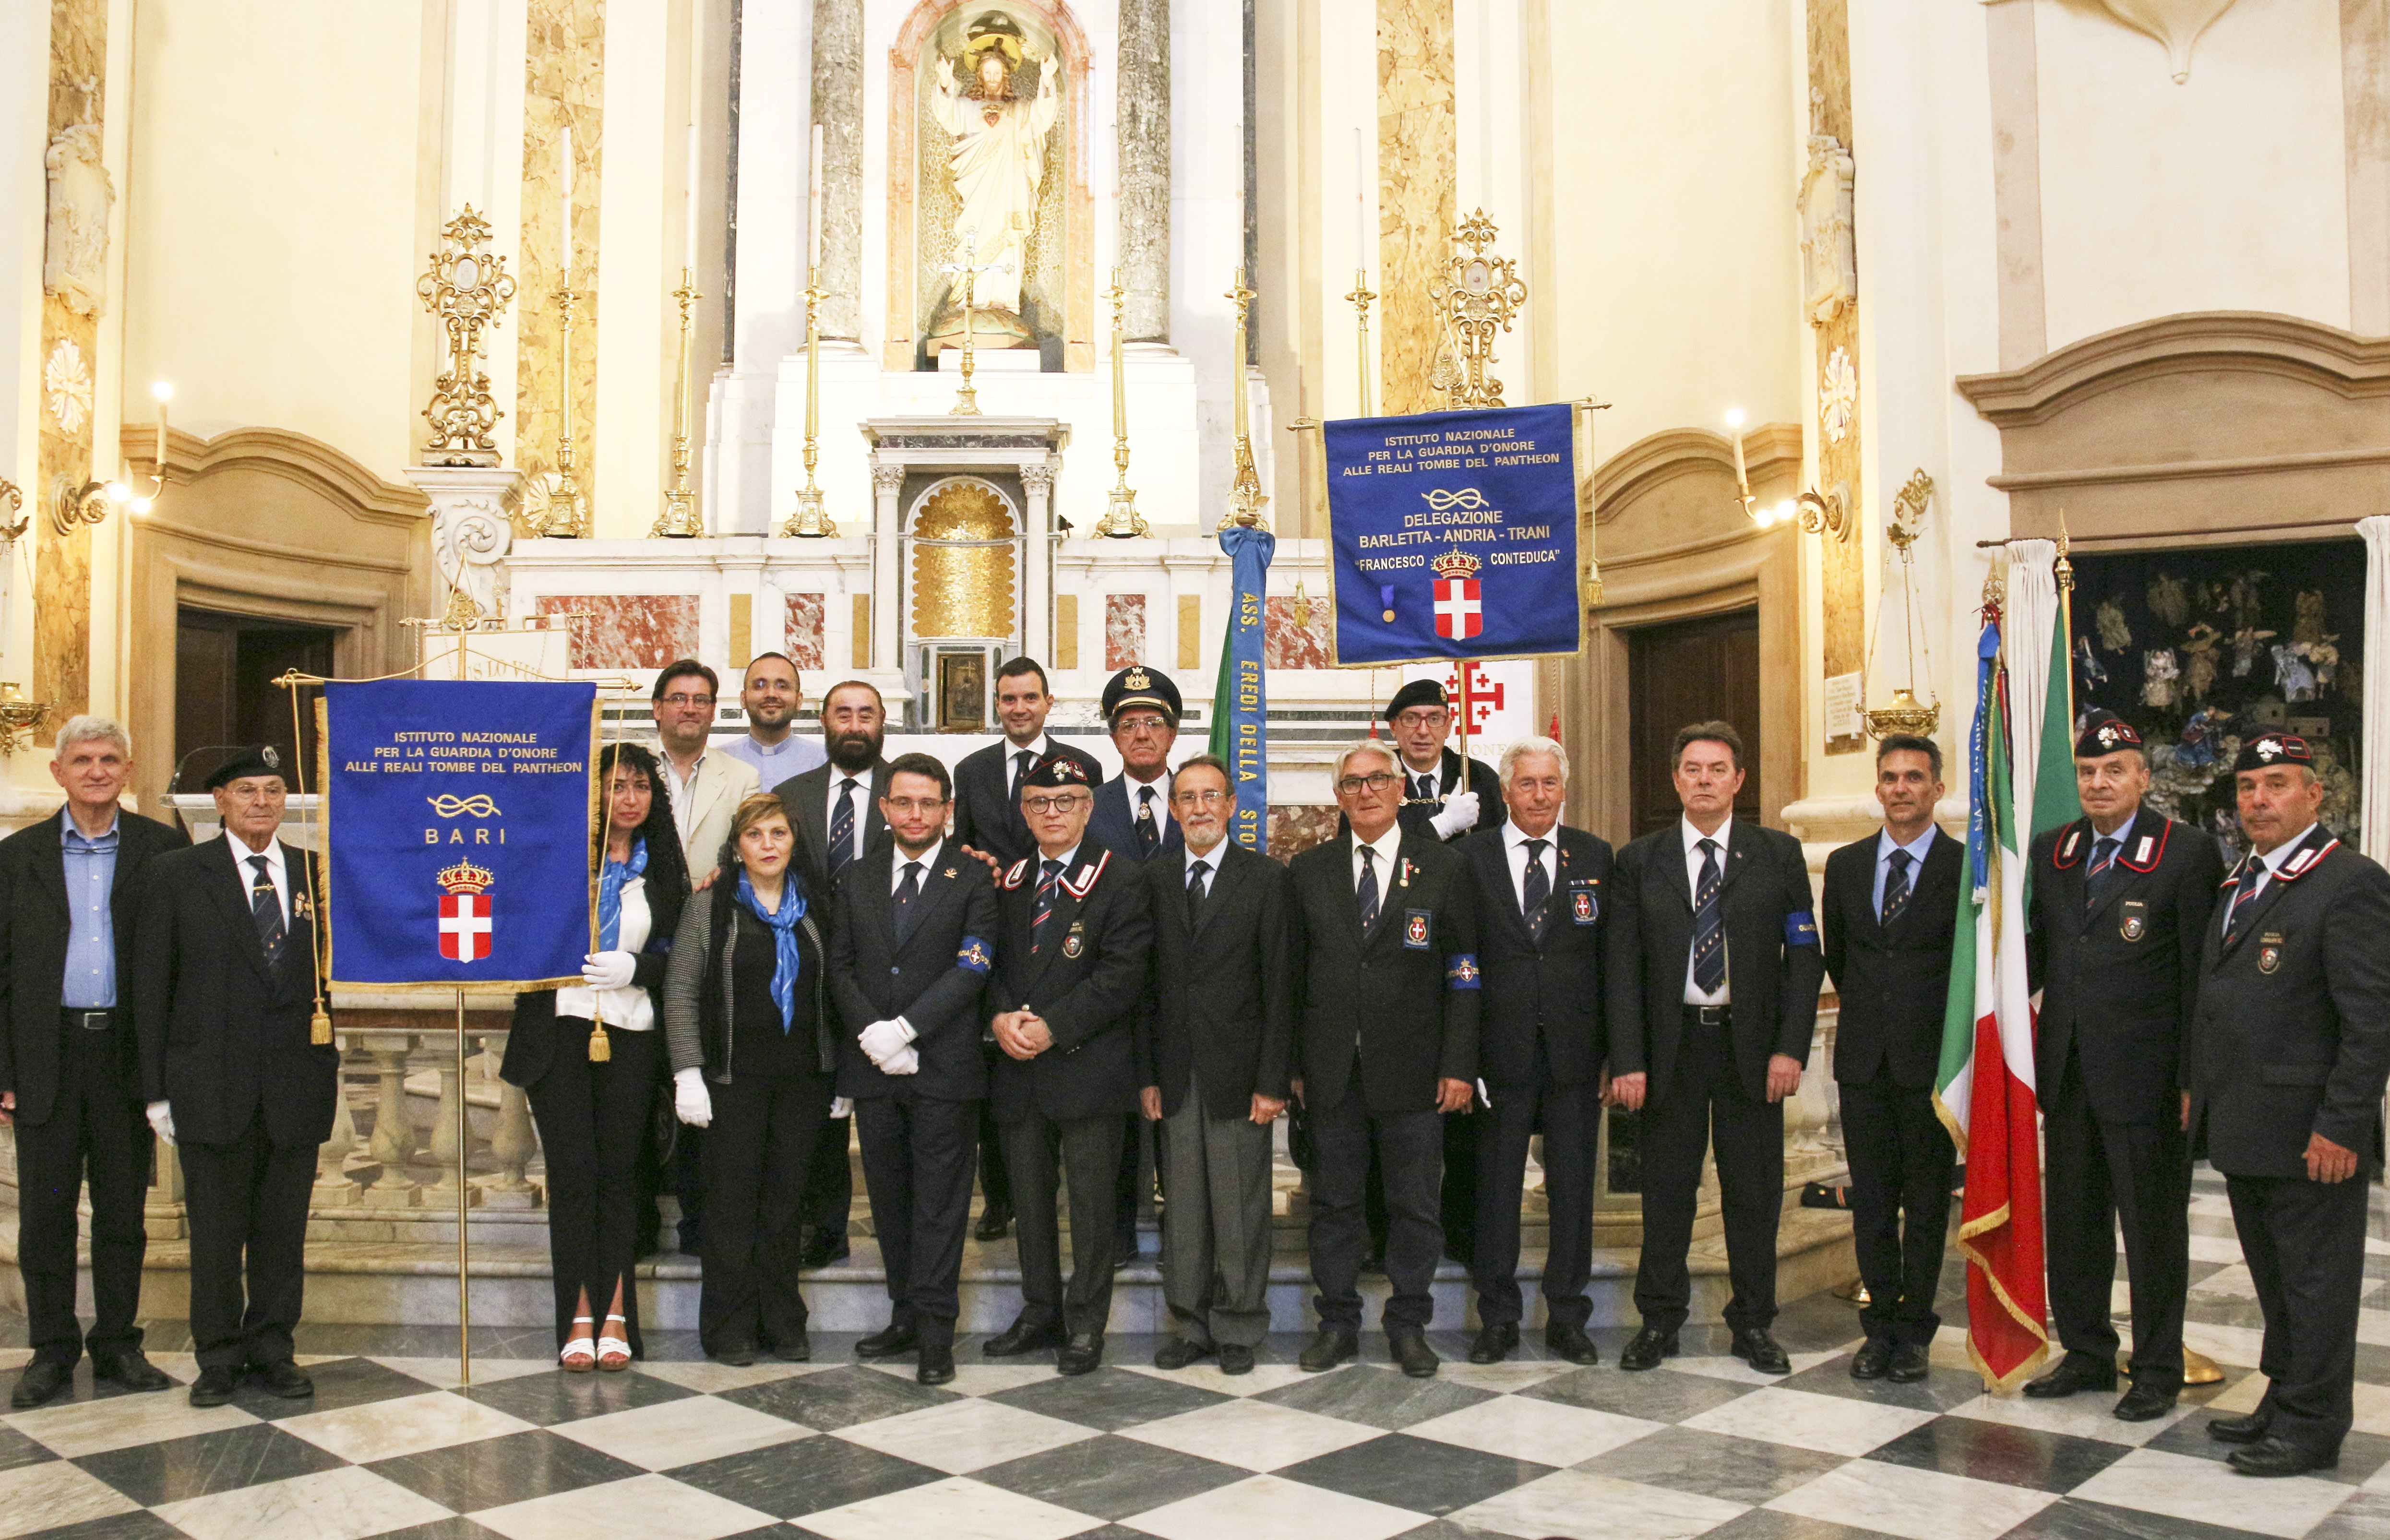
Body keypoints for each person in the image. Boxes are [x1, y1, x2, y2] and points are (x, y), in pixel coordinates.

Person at [2187, 733, 2390, 1476]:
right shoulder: (2243, 879)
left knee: (2318, 1284)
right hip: (2248, 1124)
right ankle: (2283, 1396)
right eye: (2247, 787)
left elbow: (2371, 1021)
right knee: (2276, 1281)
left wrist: (2342, 1125)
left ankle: (2314, 1424)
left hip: (2311, 1134)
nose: (2259, 800)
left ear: (2315, 794)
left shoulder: (2349, 882)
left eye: (2277, 784)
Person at [1606, 721, 1822, 1377]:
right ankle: (1660, 1321)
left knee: (1753, 1193)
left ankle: (1754, 1323)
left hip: (1751, 1053)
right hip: (1671, 1050)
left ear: (1740, 780)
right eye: (1693, 769)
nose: (1705, 780)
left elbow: (1805, 958)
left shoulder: (1778, 855)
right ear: (1676, 779)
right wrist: (1629, 1059)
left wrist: (1790, 1049)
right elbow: (1621, 967)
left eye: (1718, 768)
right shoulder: (1640, 861)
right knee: (1666, 1192)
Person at [2023, 712, 2222, 1420]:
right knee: (2074, 1221)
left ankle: (2159, 1366)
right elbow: (2039, 955)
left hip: (2148, 1079)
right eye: (2087, 772)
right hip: (2070, 1071)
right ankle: (2085, 1350)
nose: (2099, 783)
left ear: (2143, 776)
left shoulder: (2186, 852)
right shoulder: (2054, 850)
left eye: (2115, 770)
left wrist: (2194, 1079)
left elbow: (2204, 977)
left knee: (2152, 1227)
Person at [134, 747, 334, 1407]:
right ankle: (217, 1356)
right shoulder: (178, 874)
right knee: (217, 1234)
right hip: (209, 1085)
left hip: (293, 1085)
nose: (261, 802)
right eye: (246, 790)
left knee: (282, 1234)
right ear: (220, 801)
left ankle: (274, 1347)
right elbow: (151, 986)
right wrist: (156, 1089)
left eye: (273, 790)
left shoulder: (312, 874)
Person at [0, 716, 185, 1409]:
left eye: (110, 758)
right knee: (46, 1217)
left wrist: (169, 1073)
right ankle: (51, 1349)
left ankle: (117, 1344)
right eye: (82, 759)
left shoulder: (163, 850)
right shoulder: (16, 857)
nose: (97, 770)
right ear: (59, 773)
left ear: (128, 770)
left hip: (125, 1059)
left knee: (121, 1215)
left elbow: (181, 969)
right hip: (46, 1056)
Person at [1289, 739, 1480, 1379]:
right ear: (1337, 796)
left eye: (1377, 780)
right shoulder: (1308, 871)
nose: (1365, 792)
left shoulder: (1443, 866)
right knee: (1335, 1205)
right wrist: (1293, 1066)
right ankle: (1337, 1323)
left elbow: (1464, 974)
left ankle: (1409, 1326)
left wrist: (1458, 1065)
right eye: (1352, 784)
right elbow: (1293, 980)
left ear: (1401, 790)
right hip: (1332, 1072)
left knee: (1415, 1206)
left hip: (1417, 1072)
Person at [501, 743, 690, 1371]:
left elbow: (682, 956)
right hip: (559, 1031)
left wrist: (637, 964)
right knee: (574, 1176)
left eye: (640, 787)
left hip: (631, 1031)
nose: (629, 798)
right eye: (616, 786)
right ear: (593, 795)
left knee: (619, 1176)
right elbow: (517, 937)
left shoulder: (660, 869)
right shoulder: (556, 861)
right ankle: (575, 1318)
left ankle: (617, 1319)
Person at [827, 752, 998, 1386]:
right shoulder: (858, 875)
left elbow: (973, 967)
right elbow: (839, 967)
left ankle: (935, 1332)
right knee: (892, 1204)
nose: (917, 813)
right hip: (875, 1069)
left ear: (947, 810)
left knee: (940, 1208)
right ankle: (903, 1313)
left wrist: (907, 1028)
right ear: (885, 808)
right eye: (904, 802)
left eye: (929, 803)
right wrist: (874, 1034)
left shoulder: (973, 879)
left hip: (942, 1068)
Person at [983, 755, 1153, 1375]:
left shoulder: (1122, 878)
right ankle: (1039, 1311)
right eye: (1039, 802)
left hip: (1087, 1069)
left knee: (1091, 1207)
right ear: (1024, 810)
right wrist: (1001, 1017)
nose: (1052, 813)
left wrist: (1053, 1026)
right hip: (1018, 1068)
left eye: (1067, 801)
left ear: (1088, 807)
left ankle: (1086, 1322)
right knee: (1029, 1203)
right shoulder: (1009, 881)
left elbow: (1122, 976)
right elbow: (991, 962)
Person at [665, 793, 837, 1366]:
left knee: (787, 1203)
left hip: (802, 1081)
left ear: (794, 842)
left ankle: (783, 1321)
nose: (768, 845)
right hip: (730, 1079)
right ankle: (729, 1326)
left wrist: (840, 1074)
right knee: (731, 1205)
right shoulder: (710, 907)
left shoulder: (816, 904)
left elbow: (835, 990)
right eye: (756, 834)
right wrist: (688, 1071)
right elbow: (682, 989)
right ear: (737, 845)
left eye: (779, 834)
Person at [1455, 735, 1610, 1367]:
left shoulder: (1596, 856)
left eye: (1549, 783)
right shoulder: (1474, 858)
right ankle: (1498, 1316)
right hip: (1500, 1056)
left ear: (1563, 787)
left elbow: (1614, 964)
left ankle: (1568, 1316)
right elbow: (1461, 962)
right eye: (1527, 784)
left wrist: (1616, 1054)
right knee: (1496, 1193)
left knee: (1573, 1191)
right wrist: (1464, 1059)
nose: (1539, 795)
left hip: (1576, 1056)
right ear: (1507, 790)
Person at [1140, 754, 1294, 1376]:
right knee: (1184, 1206)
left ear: (1232, 805)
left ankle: (1238, 1325)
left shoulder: (1265, 879)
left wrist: (1272, 1079)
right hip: (1175, 1072)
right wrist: (1147, 1074)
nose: (1199, 808)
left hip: (1241, 1073)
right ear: (1173, 810)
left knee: (1240, 1207)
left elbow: (1282, 985)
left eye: (1211, 796)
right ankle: (1192, 1323)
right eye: (1187, 798)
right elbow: (1144, 989)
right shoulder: (1151, 879)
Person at [1820, 733, 1961, 1384]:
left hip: (1932, 1065)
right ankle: (1878, 1328)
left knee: (1928, 1201)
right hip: (1865, 1061)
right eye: (1890, 777)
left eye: (1914, 777)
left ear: (1938, 787)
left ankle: (1916, 1332)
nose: (1901, 788)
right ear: (1877, 788)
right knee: (1872, 1201)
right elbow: (1844, 959)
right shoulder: (1846, 867)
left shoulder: (1966, 869)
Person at [949, 657, 1098, 1242]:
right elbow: (960, 846)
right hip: (996, 926)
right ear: (996, 702)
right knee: (995, 1069)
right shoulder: (972, 769)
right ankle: (999, 1194)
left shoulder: (1080, 767)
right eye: (1008, 698)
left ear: (1047, 702)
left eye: (1028, 697)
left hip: (1063, 927)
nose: (1018, 707)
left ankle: (1055, 1188)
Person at [1375, 679, 1503, 1266]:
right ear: (1394, 727)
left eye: (1434, 717)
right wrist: (1437, 828)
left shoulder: (1481, 781)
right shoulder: (1377, 779)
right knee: (1398, 1119)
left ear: (1450, 722)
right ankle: (1386, 1239)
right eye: (1410, 719)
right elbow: (1374, 847)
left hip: (1468, 953)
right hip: (1400, 973)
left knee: (1464, 1108)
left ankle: (1463, 1231)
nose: (1423, 729)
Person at [771, 679, 895, 1269]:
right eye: (842, 713)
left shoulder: (911, 790)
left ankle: (901, 1220)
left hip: (891, 979)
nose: (854, 724)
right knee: (817, 1107)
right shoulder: (791, 794)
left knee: (887, 1108)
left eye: (865, 714)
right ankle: (823, 1225)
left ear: (882, 721)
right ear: (822, 720)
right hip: (811, 975)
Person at [1086, 664, 1183, 1264]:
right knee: (1117, 1115)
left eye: (1154, 722)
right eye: (1129, 723)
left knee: (1178, 1113)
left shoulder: (1201, 797)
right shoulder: (1087, 806)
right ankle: (1117, 1230)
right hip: (1108, 987)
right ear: (1114, 736)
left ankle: (1185, 1228)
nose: (1142, 733)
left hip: (1182, 984)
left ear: (1172, 733)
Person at [651, 659, 762, 875]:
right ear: (657, 709)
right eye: (679, 699)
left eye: (700, 700)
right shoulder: (629, 768)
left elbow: (749, 850)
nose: (690, 709)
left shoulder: (743, 778)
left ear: (712, 712)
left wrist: (728, 872)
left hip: (711, 903)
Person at [717, 652, 828, 786]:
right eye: (760, 686)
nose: (771, 694)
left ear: (799, 700)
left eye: (782, 686)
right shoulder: (717, 762)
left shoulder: (825, 762)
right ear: (743, 699)